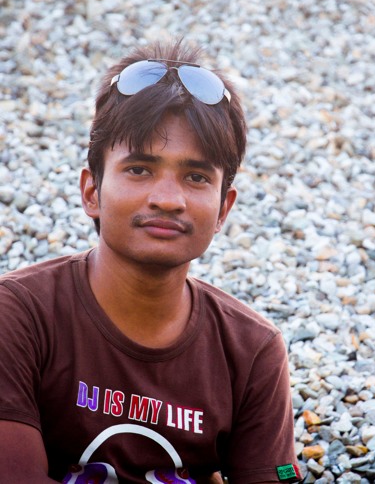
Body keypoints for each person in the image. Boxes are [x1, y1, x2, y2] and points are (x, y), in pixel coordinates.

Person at [0, 39, 301, 483]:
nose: (167, 199)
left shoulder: (252, 351)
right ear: (91, 191)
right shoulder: (19, 314)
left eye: (196, 176)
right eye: (140, 169)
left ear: (223, 209)